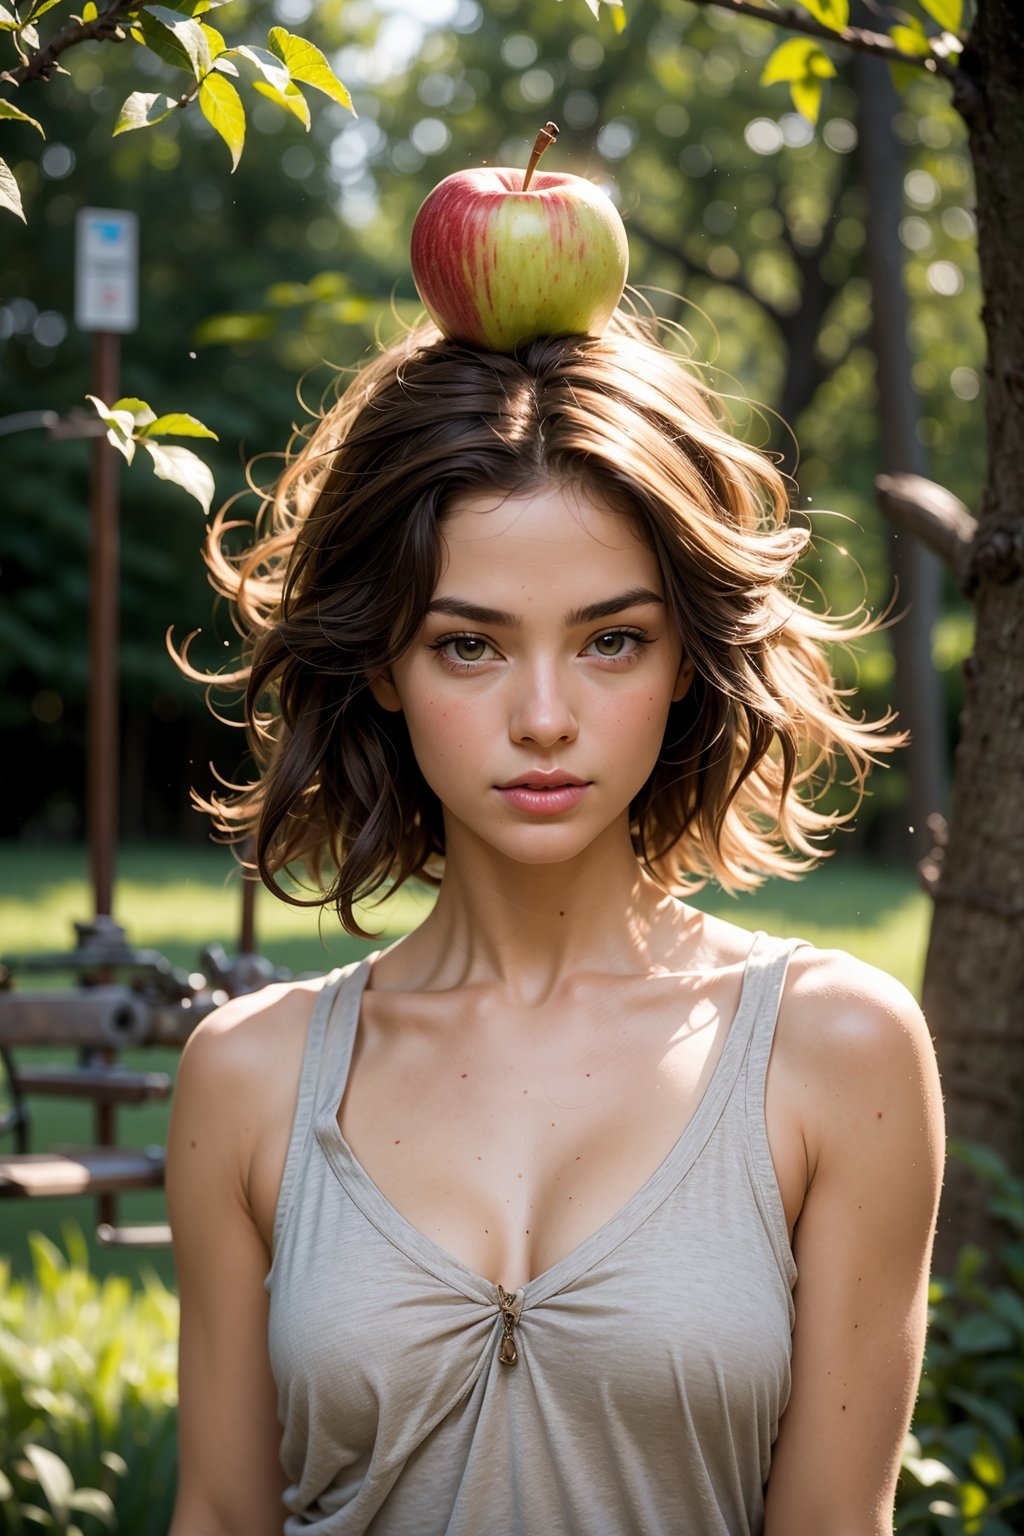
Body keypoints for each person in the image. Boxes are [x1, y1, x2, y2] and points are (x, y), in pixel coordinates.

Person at [166, 308, 945, 1536]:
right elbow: (215, 1514)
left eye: (611, 641)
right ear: (383, 664)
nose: (543, 717)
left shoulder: (834, 1054)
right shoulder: (248, 1077)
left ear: (687, 656)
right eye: (468, 644)